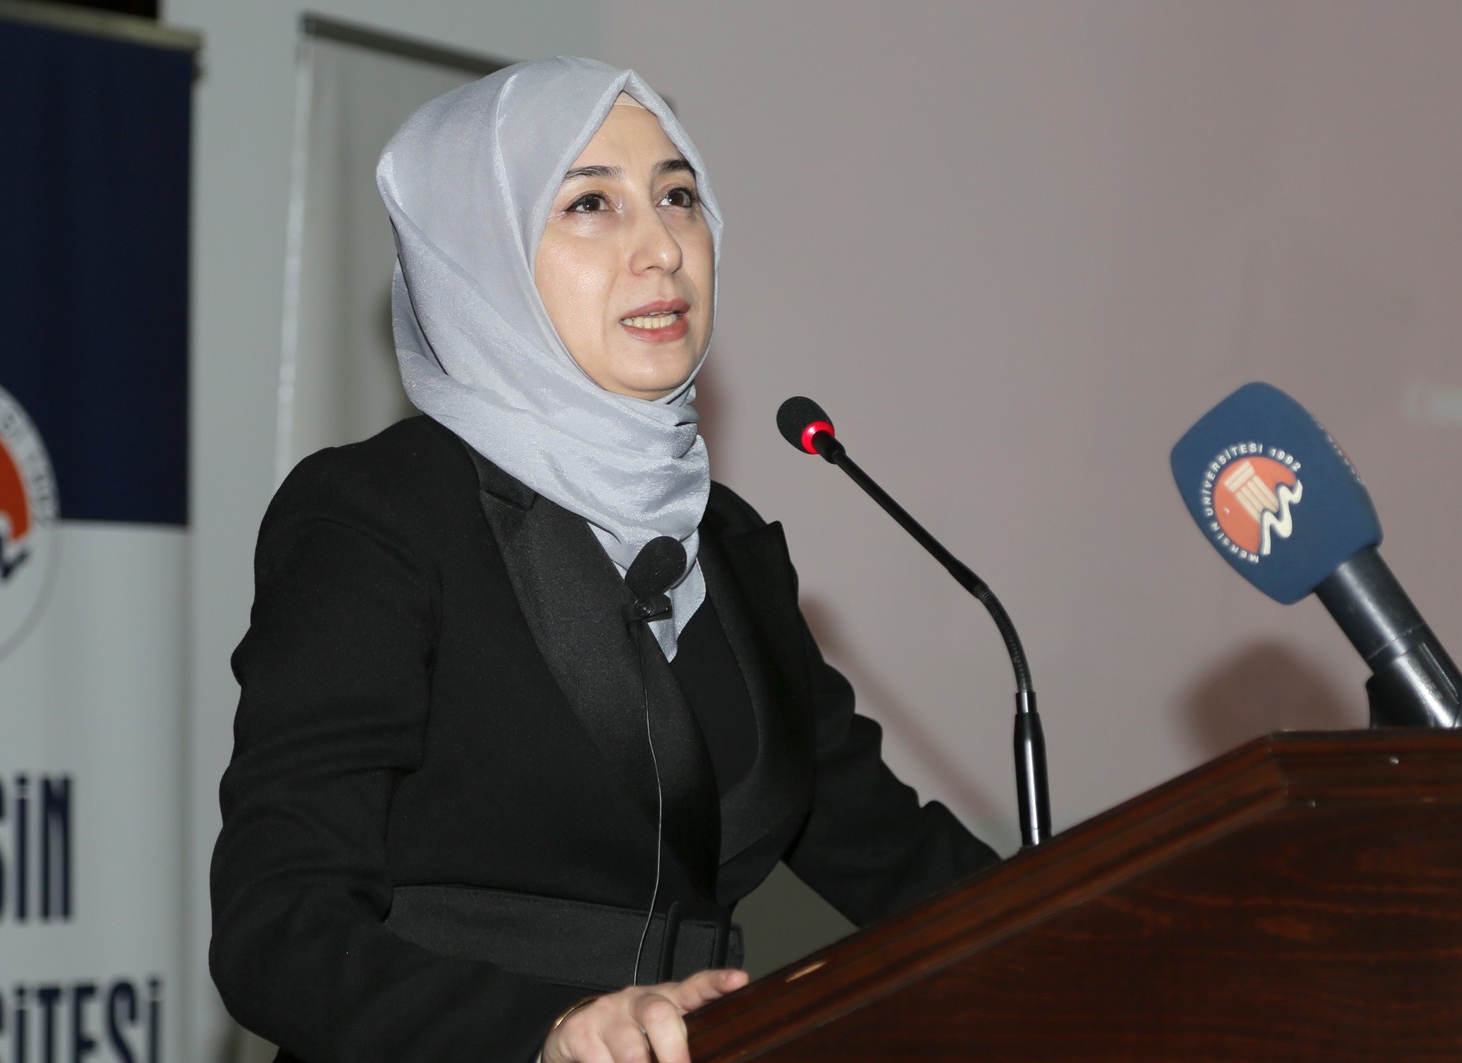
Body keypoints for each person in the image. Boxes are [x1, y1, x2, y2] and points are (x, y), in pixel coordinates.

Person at [209, 57, 998, 1063]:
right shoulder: (380, 515)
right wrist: (545, 1031)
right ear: (479, 249)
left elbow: (899, 858)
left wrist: (1124, 924)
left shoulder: (729, 545)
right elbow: (277, 929)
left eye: (678, 196)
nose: (662, 248)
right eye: (590, 203)